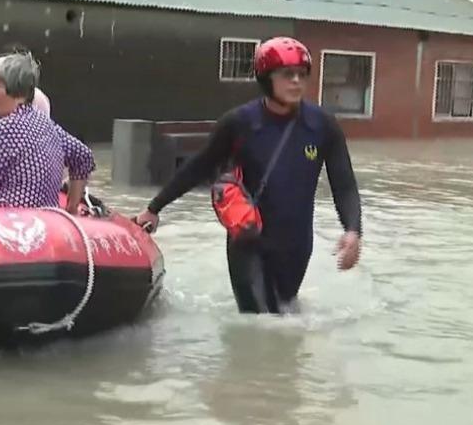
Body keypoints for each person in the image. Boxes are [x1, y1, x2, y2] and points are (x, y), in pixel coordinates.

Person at [132, 36, 362, 315]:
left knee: (283, 316)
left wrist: (352, 231)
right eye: (287, 75)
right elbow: (199, 166)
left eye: (302, 75)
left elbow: (344, 183)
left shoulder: (322, 126)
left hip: (296, 245)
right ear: (266, 78)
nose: (296, 82)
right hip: (248, 240)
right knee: (258, 324)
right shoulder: (239, 123)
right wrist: (154, 208)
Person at [0, 51, 94, 213]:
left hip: (10, 218)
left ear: (20, 93)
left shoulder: (4, 129)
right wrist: (71, 208)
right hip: (48, 215)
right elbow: (84, 157)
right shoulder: (47, 123)